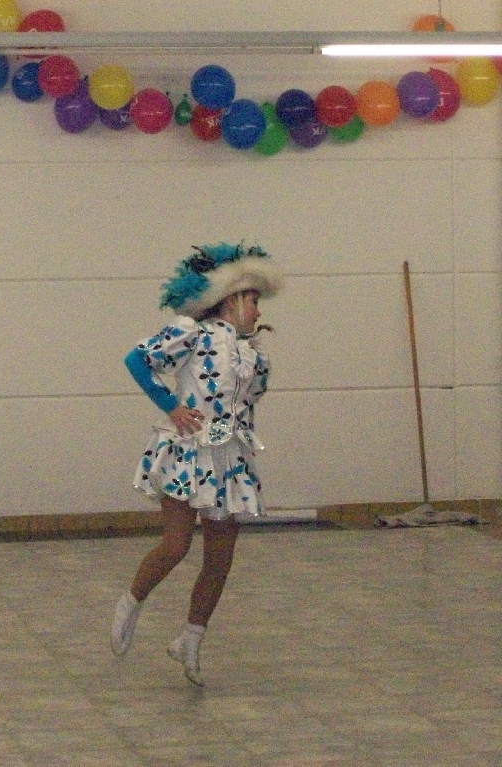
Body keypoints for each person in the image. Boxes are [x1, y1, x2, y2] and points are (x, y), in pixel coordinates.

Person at [111, 242, 282, 686]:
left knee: (220, 559)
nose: (258, 310)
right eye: (253, 300)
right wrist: (171, 407)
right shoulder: (192, 333)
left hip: (230, 460)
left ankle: (190, 638)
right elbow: (137, 361)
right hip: (188, 453)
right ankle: (131, 603)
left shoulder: (253, 353)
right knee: (176, 546)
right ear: (230, 300)